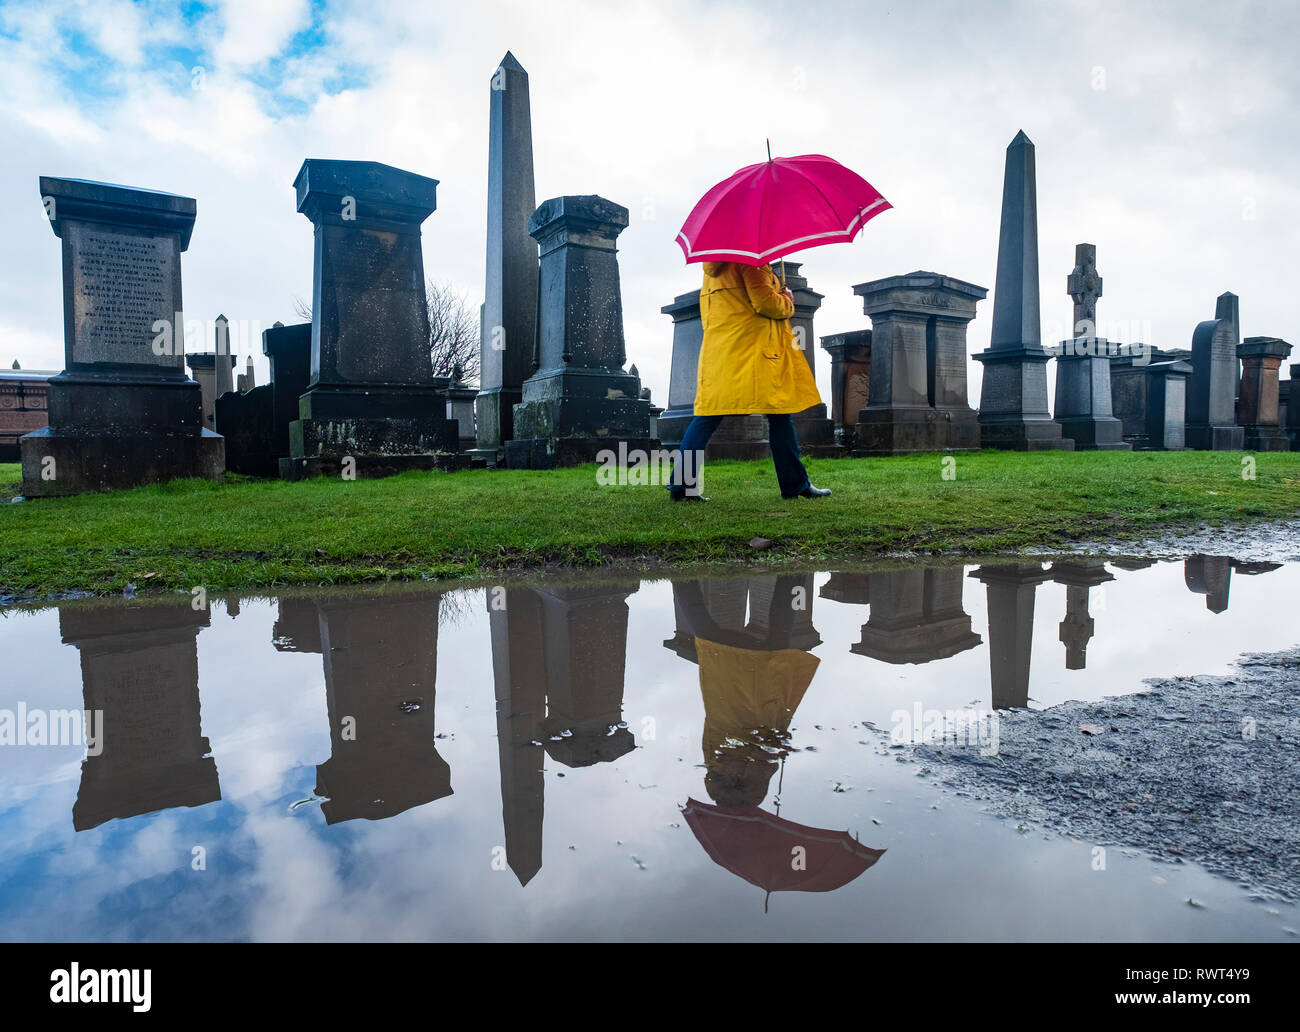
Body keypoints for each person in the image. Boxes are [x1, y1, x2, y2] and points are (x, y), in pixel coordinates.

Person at [668, 260, 831, 502]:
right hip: (755, 354)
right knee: (780, 415)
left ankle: (681, 486)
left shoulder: (713, 270)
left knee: (706, 417)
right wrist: (786, 299)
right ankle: (795, 484)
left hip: (721, 353)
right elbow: (765, 303)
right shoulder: (752, 264)